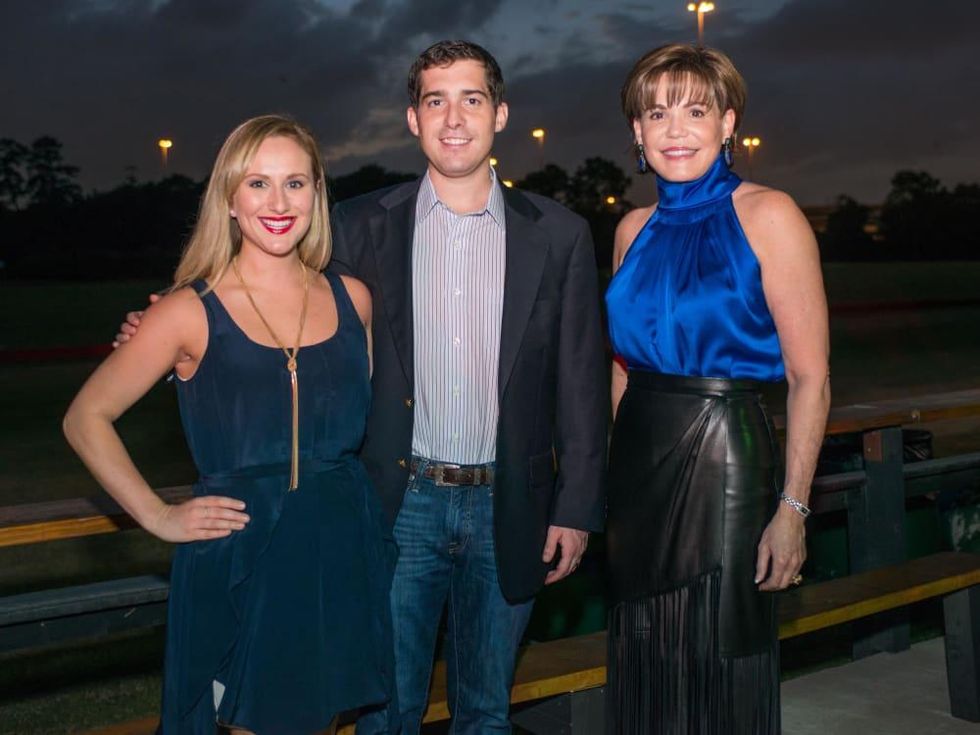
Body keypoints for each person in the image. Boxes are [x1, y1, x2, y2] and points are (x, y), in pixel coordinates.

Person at [116, 42, 607, 734]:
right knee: (384, 709)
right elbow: (272, 296)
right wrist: (166, 330)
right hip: (397, 504)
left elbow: (582, 379)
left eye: (471, 99)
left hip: (511, 504)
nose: (454, 118)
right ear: (413, 119)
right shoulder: (358, 224)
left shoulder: (559, 233)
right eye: (435, 101)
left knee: (487, 709)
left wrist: (576, 506)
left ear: (500, 114)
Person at [67, 115, 394, 734]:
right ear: (228, 199)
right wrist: (157, 515)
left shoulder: (354, 298)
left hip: (340, 543)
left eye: (295, 183)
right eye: (258, 183)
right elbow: (86, 417)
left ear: (317, 193)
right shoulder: (187, 310)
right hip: (244, 548)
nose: (278, 203)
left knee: (323, 720)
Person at [604, 44, 830, 734]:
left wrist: (793, 508)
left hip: (725, 459)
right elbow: (621, 367)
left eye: (695, 111)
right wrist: (612, 476)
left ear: (728, 123)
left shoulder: (770, 214)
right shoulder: (631, 229)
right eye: (657, 114)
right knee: (645, 659)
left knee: (717, 657)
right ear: (637, 132)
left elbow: (811, 377)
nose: (675, 130)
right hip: (637, 466)